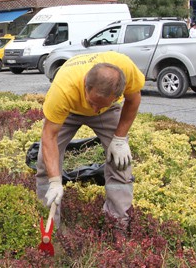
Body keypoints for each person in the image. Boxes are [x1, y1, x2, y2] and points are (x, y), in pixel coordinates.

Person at [37, 51, 144, 229]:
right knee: (44, 163)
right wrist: (55, 181)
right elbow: (49, 136)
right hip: (70, 110)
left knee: (121, 163)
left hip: (108, 112)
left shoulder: (125, 68)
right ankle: (48, 225)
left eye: (100, 104)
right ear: (85, 85)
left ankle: (117, 224)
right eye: (92, 102)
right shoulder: (64, 89)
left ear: (117, 96)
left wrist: (119, 139)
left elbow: (134, 99)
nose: (94, 110)